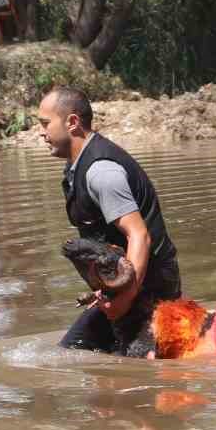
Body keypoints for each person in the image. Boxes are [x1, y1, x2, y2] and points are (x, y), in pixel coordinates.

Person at [36, 86, 181, 355]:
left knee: (134, 367)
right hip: (126, 287)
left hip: (150, 286)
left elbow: (140, 235)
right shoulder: (76, 167)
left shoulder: (101, 172)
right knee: (75, 350)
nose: (41, 132)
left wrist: (125, 300)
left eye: (45, 124)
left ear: (72, 122)